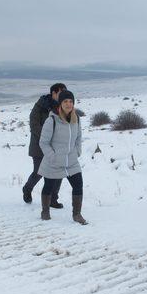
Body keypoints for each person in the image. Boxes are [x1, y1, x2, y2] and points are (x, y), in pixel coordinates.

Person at [37, 90, 87, 225]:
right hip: (53, 161)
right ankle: (45, 211)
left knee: (78, 185)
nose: (68, 104)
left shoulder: (76, 119)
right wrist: (53, 157)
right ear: (60, 103)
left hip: (71, 161)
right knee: (49, 186)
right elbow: (43, 142)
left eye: (71, 101)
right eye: (65, 101)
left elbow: (78, 138)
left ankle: (77, 214)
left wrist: (77, 151)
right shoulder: (52, 120)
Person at [22, 83, 66, 208]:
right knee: (39, 172)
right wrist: (48, 136)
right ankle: (27, 188)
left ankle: (53, 199)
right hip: (39, 146)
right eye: (60, 93)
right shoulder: (40, 106)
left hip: (57, 147)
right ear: (53, 93)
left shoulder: (63, 108)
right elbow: (34, 125)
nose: (63, 95)